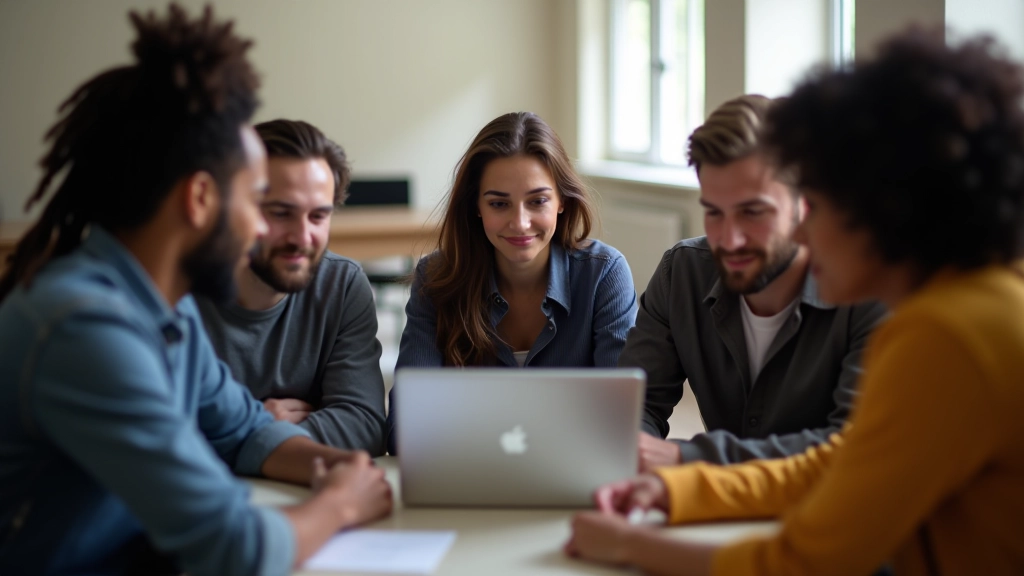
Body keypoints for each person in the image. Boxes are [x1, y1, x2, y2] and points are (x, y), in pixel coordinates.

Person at [566, 29, 1024, 575]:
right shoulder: (980, 300)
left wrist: (631, 547)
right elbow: (843, 463)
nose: (803, 233)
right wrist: (679, 490)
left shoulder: (946, 334)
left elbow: (807, 560)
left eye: (819, 207)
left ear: (884, 208)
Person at [0, 6, 391, 575]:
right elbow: (231, 546)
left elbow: (243, 430)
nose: (260, 230)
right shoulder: (82, 327)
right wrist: (340, 504)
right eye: (256, 201)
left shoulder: (167, 309)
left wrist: (334, 467)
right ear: (201, 199)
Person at [618, 95, 886, 471]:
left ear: (806, 203)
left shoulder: (870, 292)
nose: (730, 240)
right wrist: (632, 449)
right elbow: (637, 407)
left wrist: (687, 457)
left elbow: (853, 446)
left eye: (753, 212)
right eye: (714, 213)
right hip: (716, 500)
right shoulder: (682, 272)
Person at [386, 111, 638, 454]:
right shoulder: (436, 277)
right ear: (476, 206)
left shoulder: (604, 274)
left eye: (537, 201)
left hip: (568, 476)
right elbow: (404, 426)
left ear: (562, 201)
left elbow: (621, 421)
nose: (520, 223)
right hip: (469, 476)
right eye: (499, 203)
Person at [196, 119, 386, 455]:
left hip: (293, 482)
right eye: (281, 213)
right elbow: (152, 435)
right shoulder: (179, 289)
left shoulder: (341, 285)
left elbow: (364, 424)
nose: (302, 237)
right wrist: (260, 426)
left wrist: (239, 435)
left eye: (318, 216)